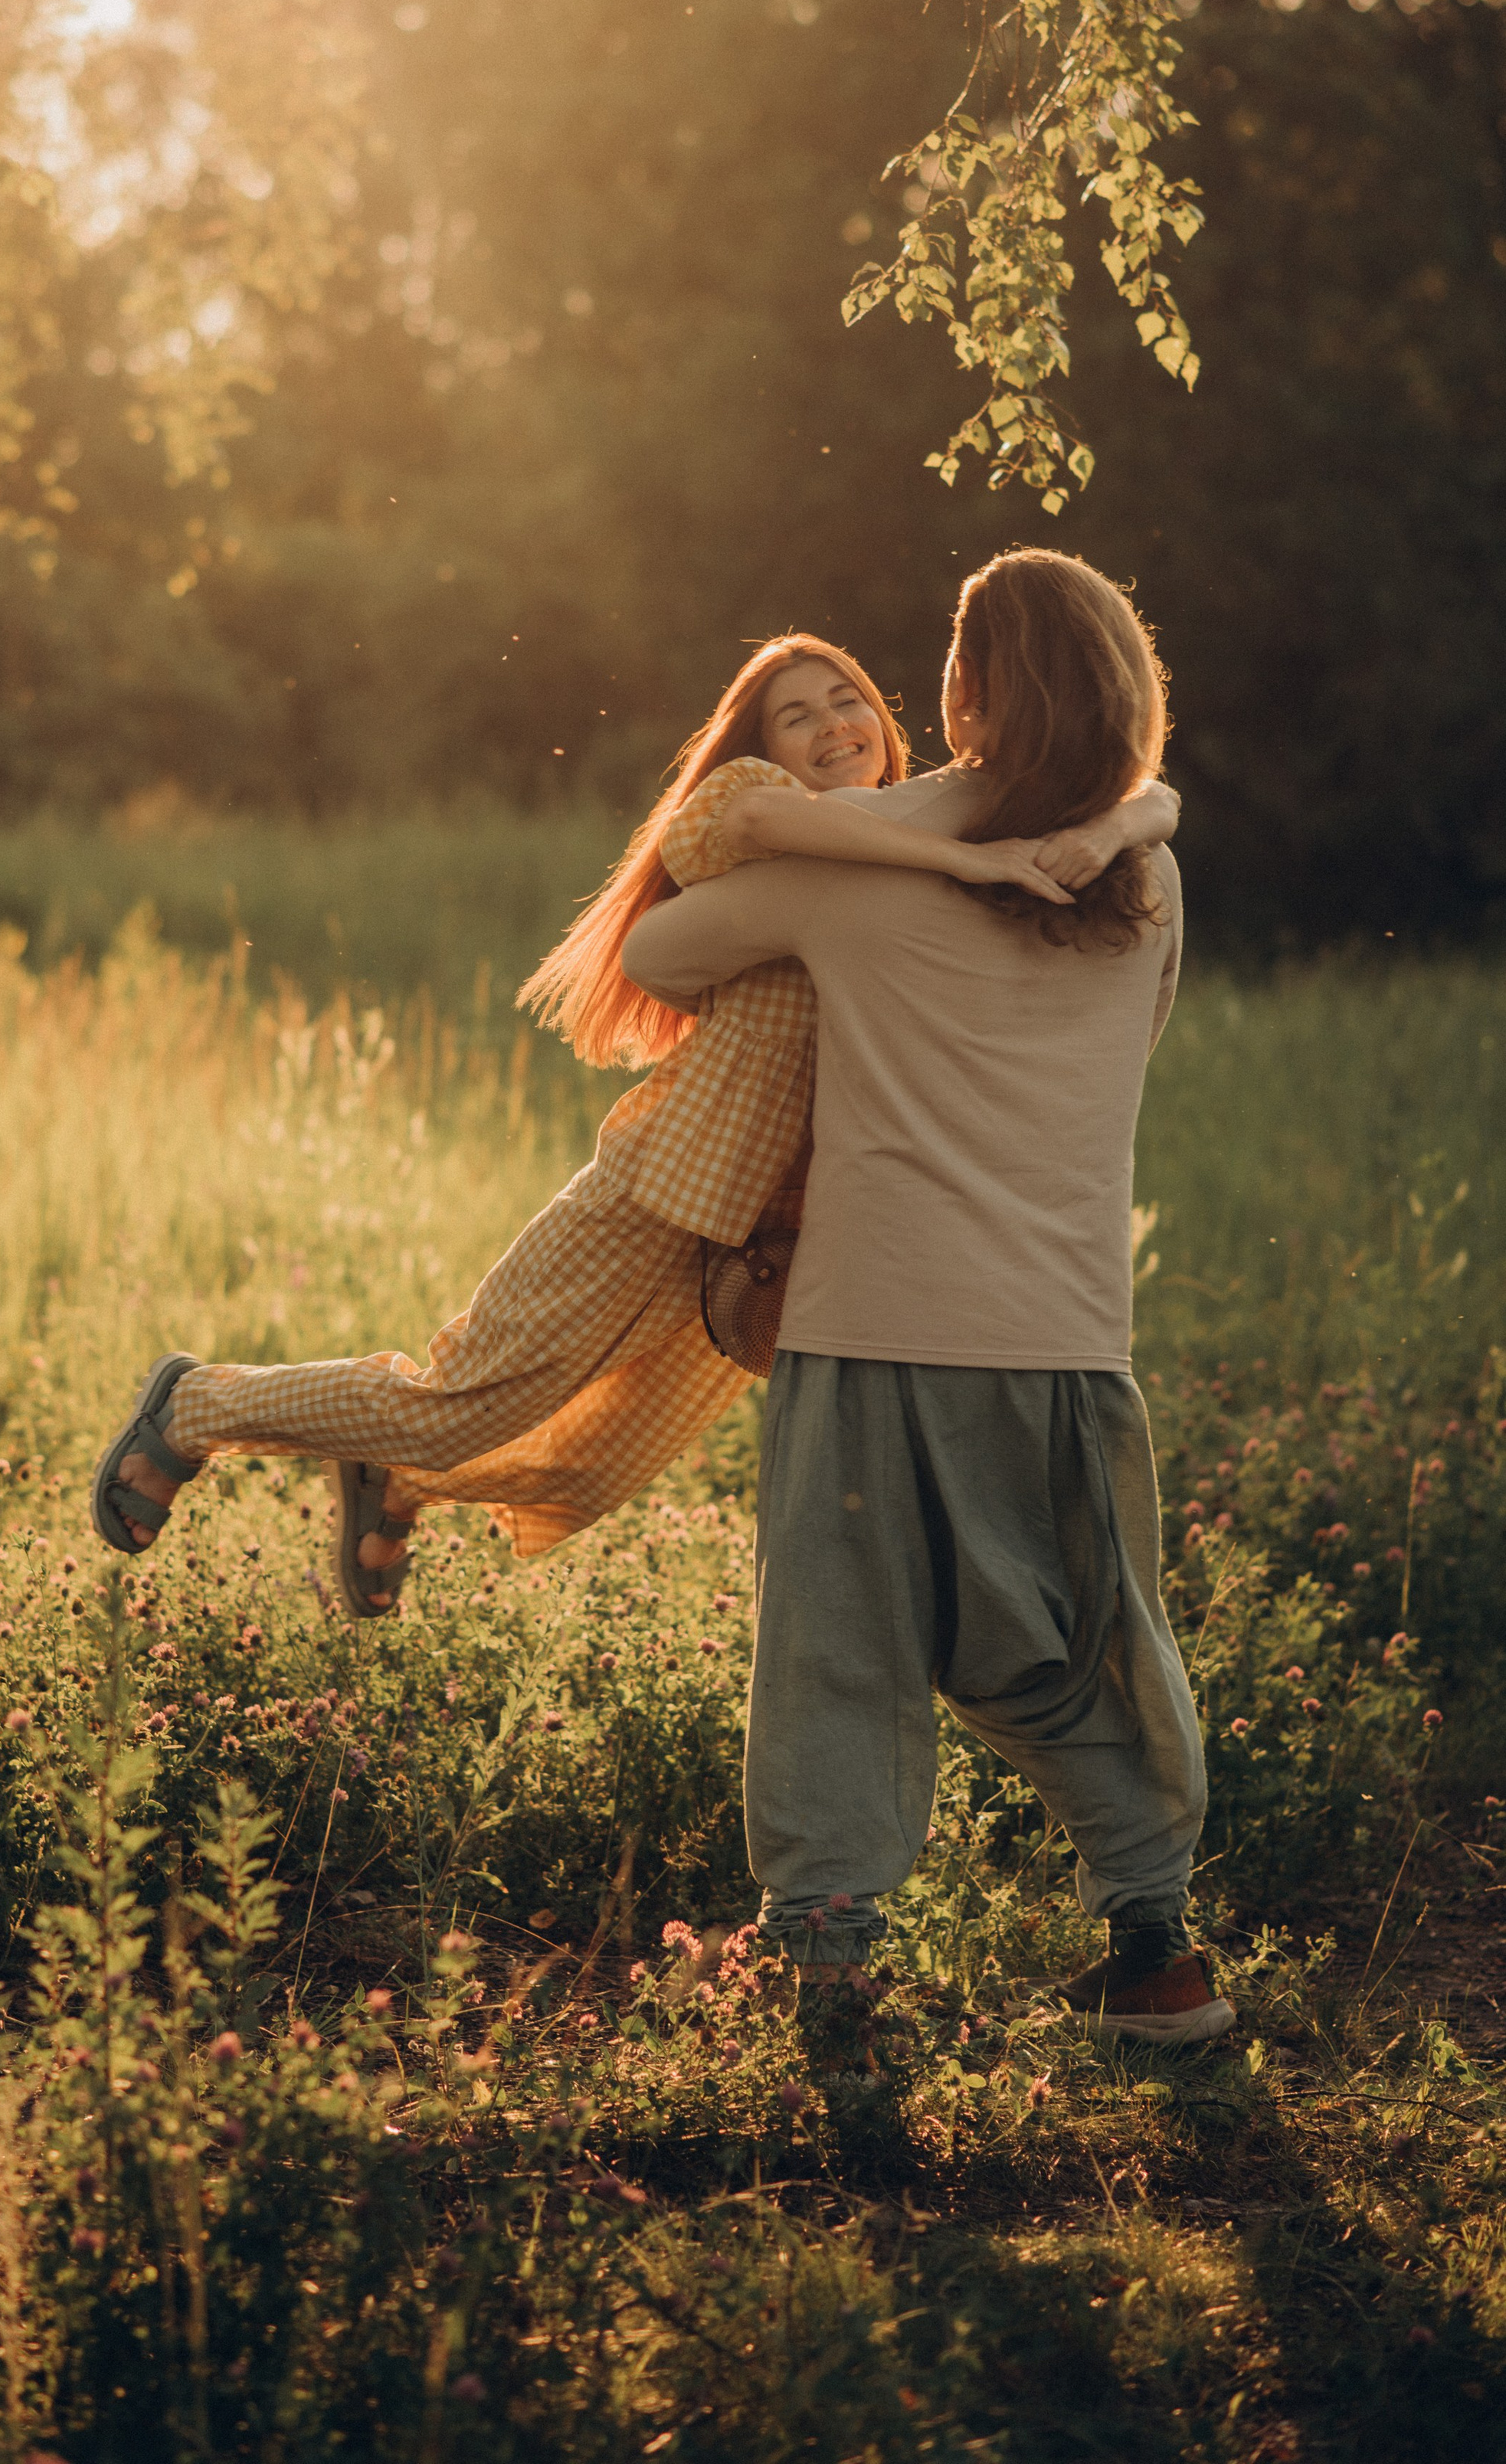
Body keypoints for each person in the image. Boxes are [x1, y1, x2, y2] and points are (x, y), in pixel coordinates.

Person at [90, 633, 1176, 1617]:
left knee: (595, 1462)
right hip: (667, 1185)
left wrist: (1123, 821)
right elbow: (760, 821)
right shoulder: (759, 808)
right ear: (763, 747)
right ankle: (196, 1406)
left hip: (778, 1237)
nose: (832, 725)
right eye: (796, 716)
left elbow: (1150, 796)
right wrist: (966, 859)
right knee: (460, 1403)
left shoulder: (918, 825)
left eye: (848, 700)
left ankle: (397, 1479)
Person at [620, 550, 1227, 2050]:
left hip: (874, 1317)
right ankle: (1154, 1951)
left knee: (842, 1651)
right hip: (1064, 1332)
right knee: (1070, 1648)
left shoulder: (867, 853)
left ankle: (832, 1987)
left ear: (963, 692)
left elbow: (657, 954)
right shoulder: (1147, 878)